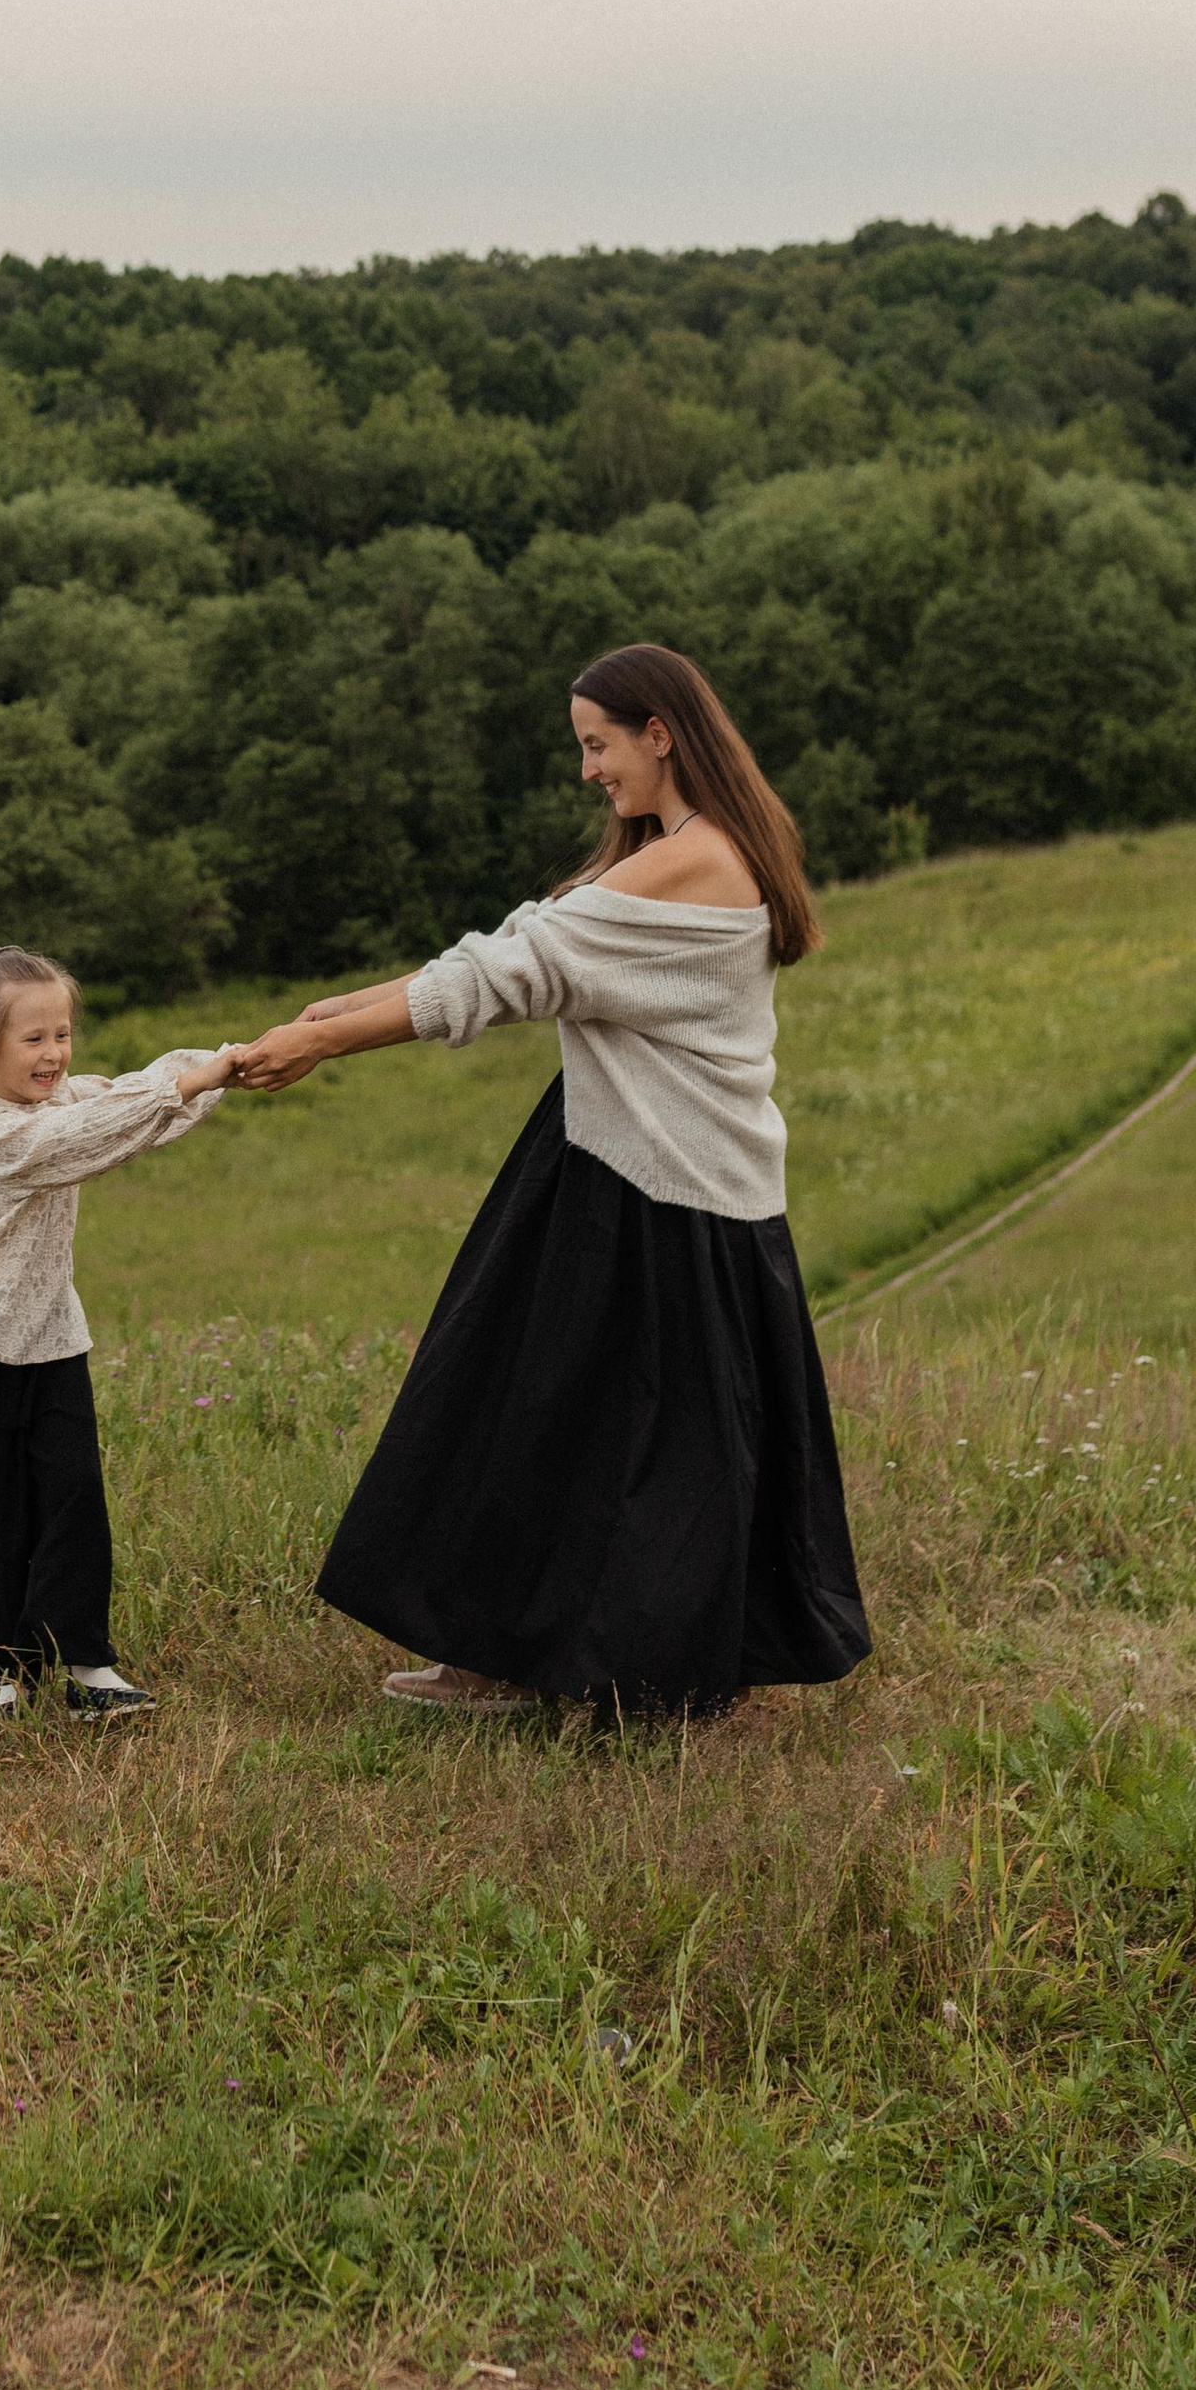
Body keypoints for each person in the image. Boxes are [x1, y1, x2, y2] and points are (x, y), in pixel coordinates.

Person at [231, 643, 870, 1723]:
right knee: (521, 1412)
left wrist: (328, 1046)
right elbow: (507, 947)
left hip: (670, 1193)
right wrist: (326, 1014)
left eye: (597, 745)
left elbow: (510, 977)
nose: (587, 771)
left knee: (645, 1456)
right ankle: (497, 1654)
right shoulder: (674, 848)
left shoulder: (698, 861)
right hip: (612, 1167)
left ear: (659, 733)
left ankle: (626, 1677)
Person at [0, 942, 237, 1724]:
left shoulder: (67, 1102)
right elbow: (80, 1140)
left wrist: (233, 1061)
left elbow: (130, 1106)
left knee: (74, 1499)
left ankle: (86, 1666)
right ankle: (5, 1677)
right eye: (34, 1039)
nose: (55, 1054)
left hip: (53, 1342)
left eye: (63, 1035)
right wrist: (189, 1083)